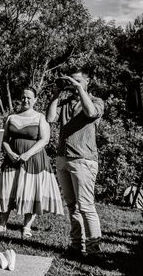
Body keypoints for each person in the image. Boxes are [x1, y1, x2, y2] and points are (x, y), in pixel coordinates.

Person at [46, 69, 105, 257]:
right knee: (72, 205)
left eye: (77, 80)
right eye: (71, 80)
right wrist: (56, 93)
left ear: (88, 81)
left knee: (86, 206)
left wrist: (79, 88)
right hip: (63, 157)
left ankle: (94, 249)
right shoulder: (64, 102)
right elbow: (49, 118)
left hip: (83, 159)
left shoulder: (96, 101)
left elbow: (90, 113)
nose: (73, 83)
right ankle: (76, 245)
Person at [0, 88, 63, 238]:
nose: (26, 100)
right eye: (23, 97)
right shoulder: (11, 118)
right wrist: (10, 152)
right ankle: (2, 224)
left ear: (35, 100)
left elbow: (45, 140)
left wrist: (27, 154)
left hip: (33, 160)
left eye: (29, 98)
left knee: (30, 192)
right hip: (12, 159)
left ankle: (27, 227)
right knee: (7, 190)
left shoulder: (40, 117)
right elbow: (4, 139)